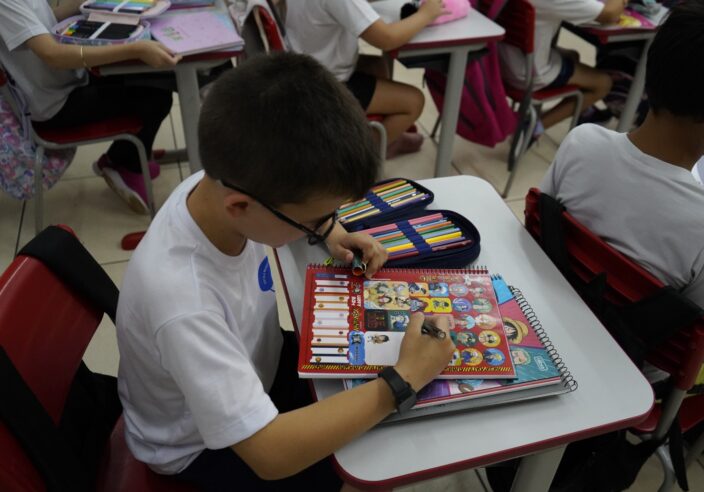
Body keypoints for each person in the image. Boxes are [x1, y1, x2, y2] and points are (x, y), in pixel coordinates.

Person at [115, 52, 456, 491]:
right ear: (241, 206)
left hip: (258, 366)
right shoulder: (184, 299)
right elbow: (269, 454)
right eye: (314, 218)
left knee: (381, 384)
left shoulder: (221, 182)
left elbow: (279, 212)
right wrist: (404, 380)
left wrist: (330, 229)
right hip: (199, 449)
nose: (323, 224)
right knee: (384, 451)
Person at [540, 0, 704, 453]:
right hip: (631, 376)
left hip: (549, 323)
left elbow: (541, 236)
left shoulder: (582, 142)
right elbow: (699, 349)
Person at [0, 0, 180, 214]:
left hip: (69, 81)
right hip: (57, 104)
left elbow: (43, 22)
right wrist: (135, 49)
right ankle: (124, 163)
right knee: (156, 98)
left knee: (151, 78)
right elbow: (53, 55)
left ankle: (128, 156)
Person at [285, 0, 447, 158]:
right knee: (414, 101)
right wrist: (426, 14)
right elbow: (387, 39)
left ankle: (387, 137)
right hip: (324, 87)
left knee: (376, 63)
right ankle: (364, 154)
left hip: (302, 69)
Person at [498, 0, 626, 134]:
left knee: (573, 55)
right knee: (603, 83)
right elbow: (610, 14)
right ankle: (534, 130)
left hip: (497, 60)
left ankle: (582, 108)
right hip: (526, 73)